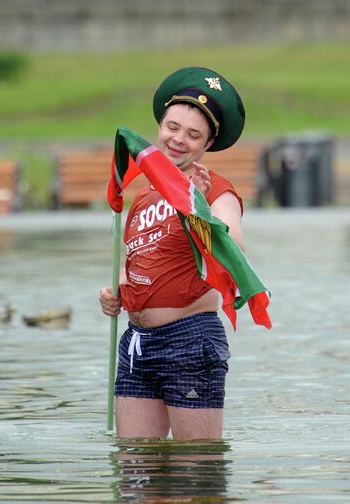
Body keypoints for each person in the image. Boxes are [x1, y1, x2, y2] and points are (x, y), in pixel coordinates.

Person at [99, 66, 247, 440]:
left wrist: (197, 206)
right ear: (160, 127)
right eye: (172, 127)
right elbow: (135, 259)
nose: (179, 140)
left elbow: (235, 254)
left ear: (207, 145)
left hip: (190, 342)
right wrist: (116, 291)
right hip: (136, 345)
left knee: (195, 475)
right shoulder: (144, 193)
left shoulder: (217, 191)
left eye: (193, 134)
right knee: (135, 471)